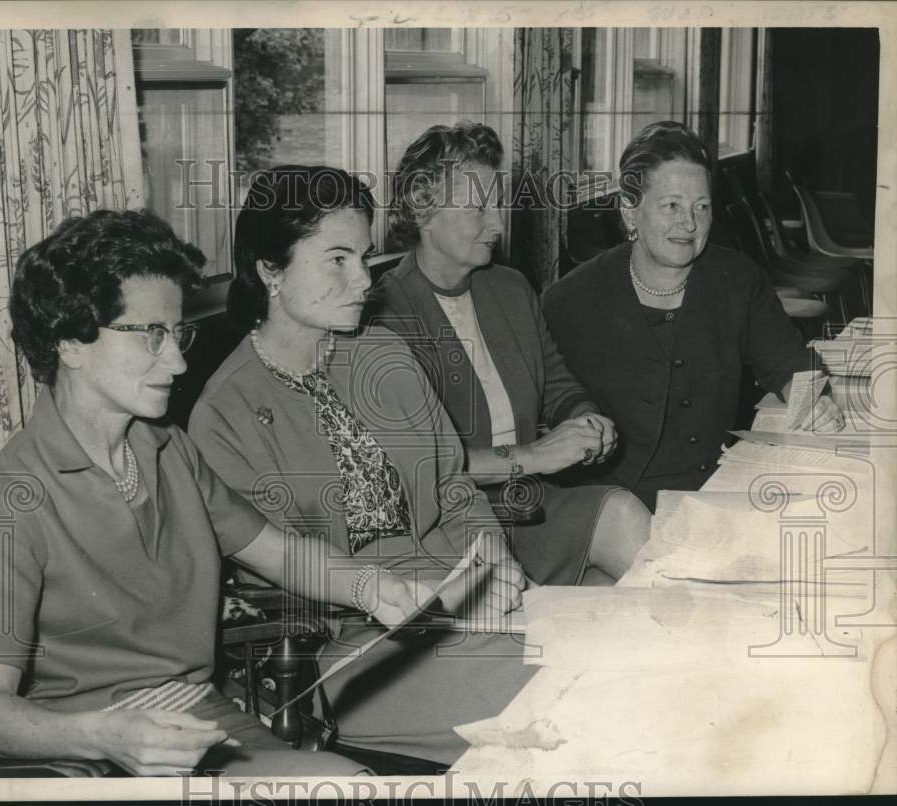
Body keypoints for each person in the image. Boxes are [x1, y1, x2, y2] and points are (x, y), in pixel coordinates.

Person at [0, 209, 424, 777]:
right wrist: (103, 736)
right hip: (85, 754)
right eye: (152, 336)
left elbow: (276, 552)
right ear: (69, 341)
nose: (176, 361)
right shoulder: (10, 498)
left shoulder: (168, 448)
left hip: (200, 719)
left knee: (354, 786)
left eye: (177, 335)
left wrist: (370, 585)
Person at [189, 166, 538, 766]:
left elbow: (453, 484)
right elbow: (289, 579)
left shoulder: (380, 351)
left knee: (605, 665)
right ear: (269, 270)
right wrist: (444, 602)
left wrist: (493, 563)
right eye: (338, 260)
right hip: (351, 650)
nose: (363, 281)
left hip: (462, 596)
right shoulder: (225, 415)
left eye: (366, 258)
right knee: (552, 704)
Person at [374, 122, 650, 586]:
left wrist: (583, 418)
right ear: (422, 208)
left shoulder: (510, 287)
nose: (498, 225)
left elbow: (557, 383)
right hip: (449, 529)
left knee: (627, 525)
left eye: (496, 206)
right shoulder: (384, 318)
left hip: (530, 507)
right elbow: (422, 463)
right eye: (478, 209)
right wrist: (536, 454)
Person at [542, 121, 844, 511]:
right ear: (630, 211)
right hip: (609, 506)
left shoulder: (737, 279)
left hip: (712, 489)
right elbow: (546, 404)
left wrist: (813, 400)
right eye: (671, 206)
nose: (689, 223)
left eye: (701, 207)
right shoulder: (569, 300)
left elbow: (789, 363)